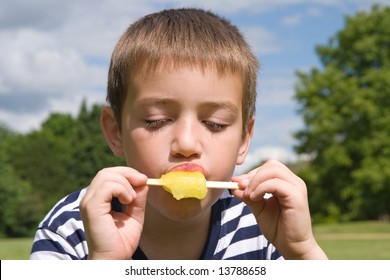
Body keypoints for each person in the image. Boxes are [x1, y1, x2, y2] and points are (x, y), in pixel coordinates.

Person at [30, 7, 327, 260]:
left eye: (215, 123)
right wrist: (105, 263)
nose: (186, 144)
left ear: (244, 139)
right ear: (115, 131)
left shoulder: (263, 227)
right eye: (156, 120)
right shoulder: (71, 228)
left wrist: (302, 252)